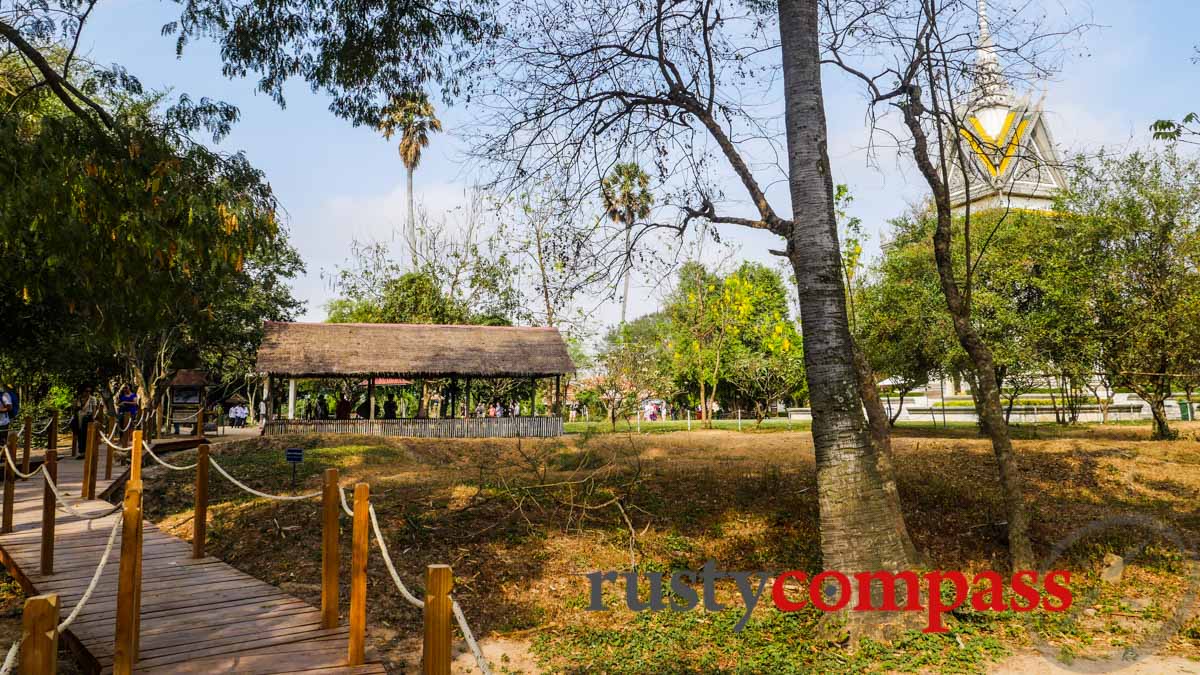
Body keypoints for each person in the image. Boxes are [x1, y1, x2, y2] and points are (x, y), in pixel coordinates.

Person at [71, 387, 100, 459]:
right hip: (78, 417)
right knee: (80, 435)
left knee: (86, 435)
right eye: (86, 391)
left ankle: (87, 452)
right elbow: (74, 409)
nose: (88, 393)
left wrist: (93, 418)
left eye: (89, 391)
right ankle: (81, 452)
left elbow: (94, 409)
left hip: (87, 418)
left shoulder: (92, 399)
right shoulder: (78, 398)